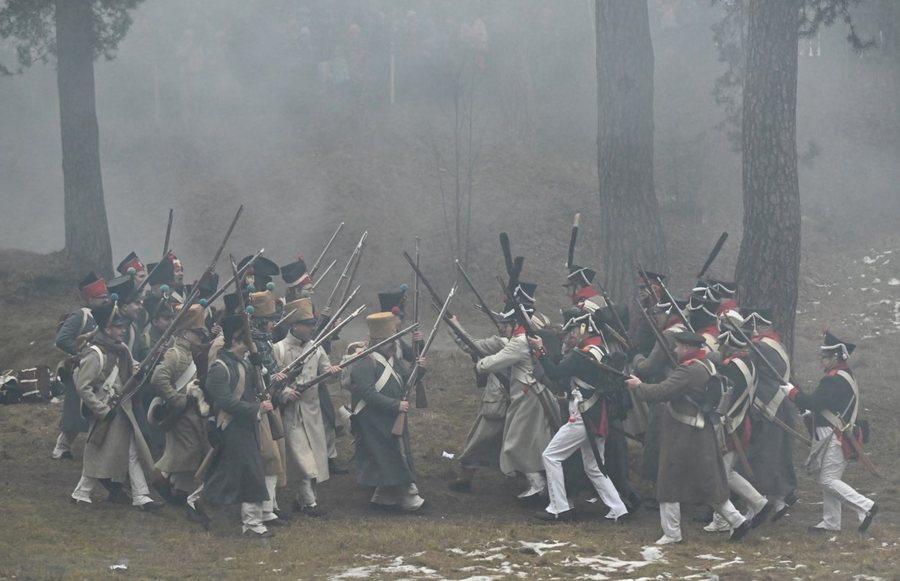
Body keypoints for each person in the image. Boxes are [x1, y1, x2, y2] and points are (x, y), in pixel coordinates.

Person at [625, 331, 752, 545]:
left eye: (678, 346)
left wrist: (638, 386)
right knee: (707, 481)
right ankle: (737, 521)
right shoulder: (706, 365)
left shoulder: (689, 370)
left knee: (668, 480)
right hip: (698, 431)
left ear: (687, 348)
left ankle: (672, 533)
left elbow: (660, 392)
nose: (675, 350)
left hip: (683, 434)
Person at [528, 309, 629, 523]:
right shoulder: (600, 350)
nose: (571, 335)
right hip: (596, 415)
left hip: (583, 415)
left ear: (584, 329)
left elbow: (555, 373)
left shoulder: (583, 355)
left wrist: (540, 351)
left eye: (574, 330)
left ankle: (559, 508)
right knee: (594, 467)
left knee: (551, 456)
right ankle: (618, 509)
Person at [783, 331, 878, 533]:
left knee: (828, 480)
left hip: (835, 436)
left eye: (825, 357)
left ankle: (866, 506)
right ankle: (831, 522)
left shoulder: (833, 380)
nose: (822, 360)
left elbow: (813, 401)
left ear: (836, 357)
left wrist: (791, 392)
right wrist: (811, 413)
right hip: (834, 433)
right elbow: (830, 405)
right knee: (828, 478)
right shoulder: (842, 376)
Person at [70, 301, 159, 510]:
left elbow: (133, 368)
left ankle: (140, 495)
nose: (123, 330)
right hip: (107, 410)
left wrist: (145, 365)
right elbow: (83, 387)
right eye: (118, 327)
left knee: (132, 451)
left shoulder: (122, 349)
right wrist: (102, 410)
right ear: (107, 329)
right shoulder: (95, 354)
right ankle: (81, 492)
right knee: (98, 450)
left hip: (122, 409)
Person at [475, 284, 559, 501]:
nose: (503, 328)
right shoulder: (526, 338)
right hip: (532, 395)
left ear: (514, 324)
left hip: (528, 397)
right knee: (534, 443)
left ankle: (538, 485)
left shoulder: (519, 343)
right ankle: (543, 484)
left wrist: (479, 363)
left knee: (515, 444)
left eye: (506, 324)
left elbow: (491, 364)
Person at [201, 314, 275, 538]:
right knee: (251, 472)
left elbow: (257, 388)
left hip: (246, 424)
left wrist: (260, 368)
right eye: (247, 339)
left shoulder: (244, 363)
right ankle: (252, 524)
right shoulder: (220, 368)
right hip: (232, 425)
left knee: (231, 473)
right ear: (236, 340)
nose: (252, 343)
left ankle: (198, 501)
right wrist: (256, 409)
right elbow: (226, 401)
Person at [349, 312, 425, 512]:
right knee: (391, 456)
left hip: (389, 417)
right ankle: (410, 499)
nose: (394, 344)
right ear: (379, 342)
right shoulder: (365, 362)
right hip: (373, 419)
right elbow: (367, 393)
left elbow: (408, 379)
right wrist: (395, 405)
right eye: (390, 340)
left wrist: (419, 368)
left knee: (389, 456)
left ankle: (383, 498)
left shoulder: (393, 359)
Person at [272, 297, 341, 517]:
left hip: (312, 412)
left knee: (316, 459)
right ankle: (310, 504)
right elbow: (271, 382)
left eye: (312, 324)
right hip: (291, 413)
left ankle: (303, 500)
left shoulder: (316, 348)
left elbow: (326, 374)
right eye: (307, 324)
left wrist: (333, 373)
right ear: (294, 326)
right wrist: (286, 393)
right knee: (303, 461)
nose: (312, 328)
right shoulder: (278, 349)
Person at [703, 316, 771, 533]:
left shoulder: (732, 368)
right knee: (726, 473)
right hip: (739, 423)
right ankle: (756, 504)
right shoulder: (746, 363)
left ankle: (734, 517)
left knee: (718, 475)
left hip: (731, 425)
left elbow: (718, 395)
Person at [148, 304, 211, 506]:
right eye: (196, 333)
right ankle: (163, 479)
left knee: (192, 452)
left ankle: (181, 491)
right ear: (185, 333)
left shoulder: (188, 353)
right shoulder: (175, 353)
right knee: (188, 451)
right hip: (180, 412)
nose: (200, 337)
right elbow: (158, 378)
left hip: (189, 411)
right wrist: (176, 399)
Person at [743, 307, 797, 521]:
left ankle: (759, 504)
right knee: (777, 454)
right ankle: (780, 499)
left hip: (766, 406)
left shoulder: (759, 347)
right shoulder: (776, 345)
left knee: (763, 456)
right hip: (780, 404)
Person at [445, 315, 509, 493]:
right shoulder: (522, 340)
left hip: (498, 403)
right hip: (516, 401)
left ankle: (465, 480)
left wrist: (453, 324)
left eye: (504, 324)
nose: (500, 327)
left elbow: (470, 345)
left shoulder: (502, 343)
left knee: (478, 440)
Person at [51, 273, 108, 460]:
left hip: (100, 368)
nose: (105, 300)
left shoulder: (105, 315)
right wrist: (82, 354)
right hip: (80, 368)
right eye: (101, 297)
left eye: (106, 296)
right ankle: (61, 447)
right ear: (90, 299)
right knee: (75, 412)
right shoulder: (80, 316)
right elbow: (62, 339)